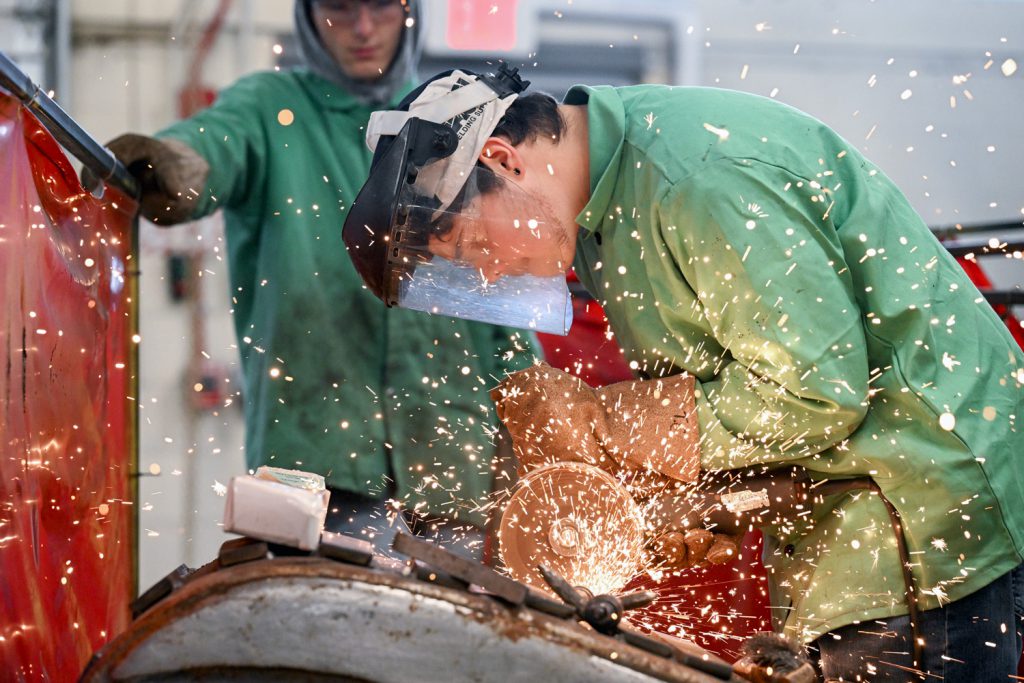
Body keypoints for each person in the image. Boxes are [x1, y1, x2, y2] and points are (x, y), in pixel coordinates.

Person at [342, 66, 1024, 680]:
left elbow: (815, 394)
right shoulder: (607, 217)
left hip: (923, 512)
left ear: (503, 159)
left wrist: (609, 426)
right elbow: (735, 387)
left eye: (472, 244)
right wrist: (687, 497)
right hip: (848, 515)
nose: (486, 272)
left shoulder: (693, 178)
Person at [89, 2, 538, 559]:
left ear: (410, 12)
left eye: (380, 6)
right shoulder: (269, 110)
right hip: (316, 477)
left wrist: (536, 428)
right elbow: (211, 147)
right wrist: (171, 165)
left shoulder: (460, 124)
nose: (363, 29)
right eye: (340, 8)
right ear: (308, 15)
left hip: (453, 478)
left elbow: (501, 304)